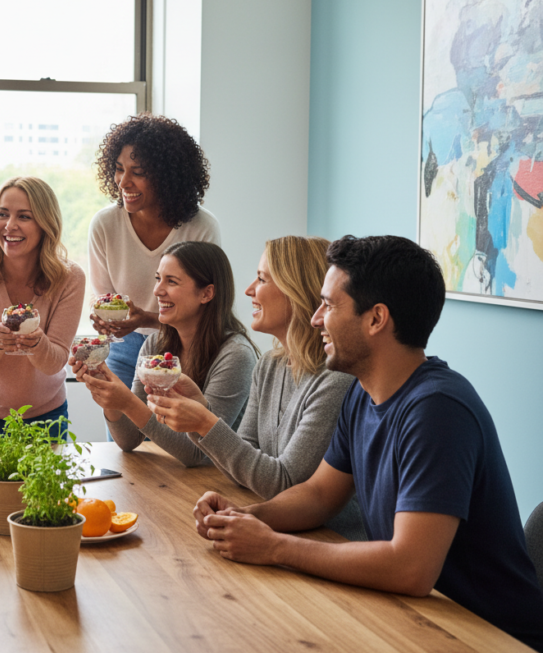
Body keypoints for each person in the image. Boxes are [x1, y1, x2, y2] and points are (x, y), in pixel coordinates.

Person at [192, 235, 543, 650]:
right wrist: (246, 516)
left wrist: (274, 547)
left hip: (485, 635)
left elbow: (411, 568)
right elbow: (320, 495)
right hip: (417, 618)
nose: (316, 318)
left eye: (329, 304)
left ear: (376, 319)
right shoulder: (362, 393)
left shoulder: (437, 410)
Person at [144, 236, 364, 540]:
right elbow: (242, 469)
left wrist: (205, 422)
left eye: (261, 279)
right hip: (274, 530)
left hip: (328, 543)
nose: (248, 290)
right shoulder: (270, 365)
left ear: (295, 291)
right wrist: (203, 414)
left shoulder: (336, 380)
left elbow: (285, 483)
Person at [74, 241, 256, 464]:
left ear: (207, 293)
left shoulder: (236, 355)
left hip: (218, 487)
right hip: (174, 481)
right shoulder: (155, 345)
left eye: (172, 281)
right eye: (158, 278)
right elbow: (129, 440)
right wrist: (110, 395)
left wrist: (129, 403)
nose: (157, 291)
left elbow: (200, 454)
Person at [88, 113, 221, 393]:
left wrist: (149, 319)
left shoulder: (201, 227)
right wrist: (103, 319)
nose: (124, 182)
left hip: (183, 345)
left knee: (174, 432)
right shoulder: (105, 224)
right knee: (124, 433)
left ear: (168, 176)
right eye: (119, 168)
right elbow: (103, 296)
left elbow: (207, 311)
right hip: (124, 347)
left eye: (138, 172)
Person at [0, 177, 85, 444]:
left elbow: (55, 362)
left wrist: (37, 343)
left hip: (46, 416)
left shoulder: (70, 278)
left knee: (43, 488)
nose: (9, 226)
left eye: (24, 216)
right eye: (3, 214)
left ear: (45, 224)